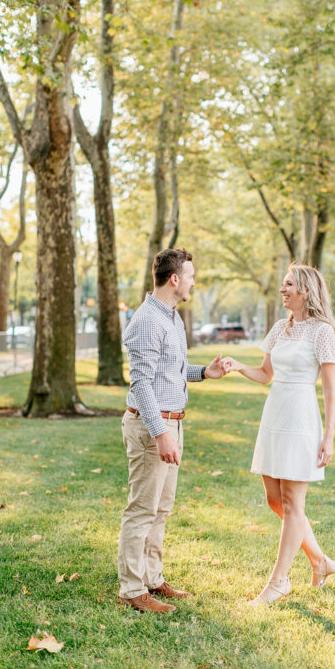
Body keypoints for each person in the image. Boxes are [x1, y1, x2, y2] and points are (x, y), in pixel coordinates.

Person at [222, 264, 335, 605]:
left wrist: (329, 435)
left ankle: (279, 582)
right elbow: (264, 374)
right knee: (275, 501)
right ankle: (320, 561)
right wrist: (238, 366)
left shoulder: (322, 332)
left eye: (288, 284)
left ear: (305, 290)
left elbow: (331, 391)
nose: (282, 289)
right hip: (274, 416)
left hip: (302, 419)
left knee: (293, 504)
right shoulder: (279, 328)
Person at [118, 248, 226, 614]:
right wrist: (161, 432)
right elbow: (143, 382)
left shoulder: (173, 318)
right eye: (191, 275)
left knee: (161, 510)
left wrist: (203, 373)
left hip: (171, 423)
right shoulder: (148, 320)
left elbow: (170, 373)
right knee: (142, 509)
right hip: (153, 427)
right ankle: (132, 589)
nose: (194, 281)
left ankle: (151, 578)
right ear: (175, 278)